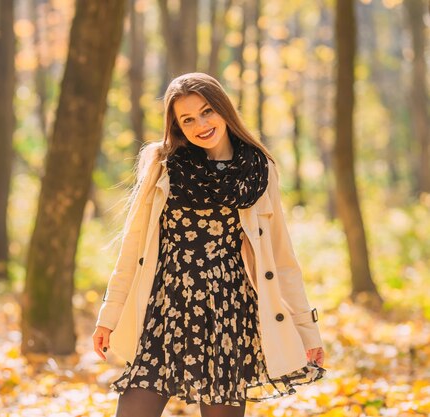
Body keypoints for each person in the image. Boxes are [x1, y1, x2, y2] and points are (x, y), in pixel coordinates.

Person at [92, 72, 326, 417]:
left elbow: (282, 257)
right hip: (164, 308)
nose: (200, 124)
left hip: (229, 314)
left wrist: (307, 330)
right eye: (188, 119)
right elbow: (134, 248)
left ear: (223, 109)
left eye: (206, 111)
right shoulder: (163, 165)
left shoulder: (258, 169)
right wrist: (108, 316)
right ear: (177, 126)